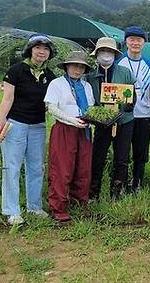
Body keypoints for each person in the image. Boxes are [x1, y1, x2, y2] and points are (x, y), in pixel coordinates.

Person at [0, 34, 56, 225]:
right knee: (12, 167)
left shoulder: (49, 75)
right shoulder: (16, 71)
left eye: (45, 49)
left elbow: (53, 102)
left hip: (38, 125)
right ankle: (12, 210)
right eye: (37, 48)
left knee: (36, 167)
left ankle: (34, 207)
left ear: (49, 53)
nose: (41, 52)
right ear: (30, 50)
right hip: (16, 124)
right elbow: (7, 99)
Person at [44, 51, 95, 222]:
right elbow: (51, 107)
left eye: (81, 67)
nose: (77, 69)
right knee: (61, 169)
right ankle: (58, 207)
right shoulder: (57, 84)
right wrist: (70, 120)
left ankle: (79, 201)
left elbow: (91, 108)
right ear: (67, 67)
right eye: (74, 66)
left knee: (83, 168)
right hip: (64, 129)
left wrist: (92, 119)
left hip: (84, 130)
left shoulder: (86, 86)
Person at [85, 37, 136, 201]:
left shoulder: (124, 72)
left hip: (124, 121)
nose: (106, 55)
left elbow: (132, 93)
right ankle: (93, 193)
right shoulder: (91, 75)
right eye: (102, 51)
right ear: (97, 54)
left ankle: (117, 191)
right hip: (102, 123)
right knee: (97, 157)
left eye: (109, 51)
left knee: (121, 158)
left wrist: (129, 104)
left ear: (115, 54)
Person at [116, 26, 150, 192]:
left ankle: (137, 184)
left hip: (144, 115)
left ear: (144, 43)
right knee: (122, 152)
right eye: (131, 39)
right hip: (123, 116)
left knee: (141, 153)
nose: (135, 43)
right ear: (126, 41)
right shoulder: (119, 62)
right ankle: (122, 184)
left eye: (139, 40)